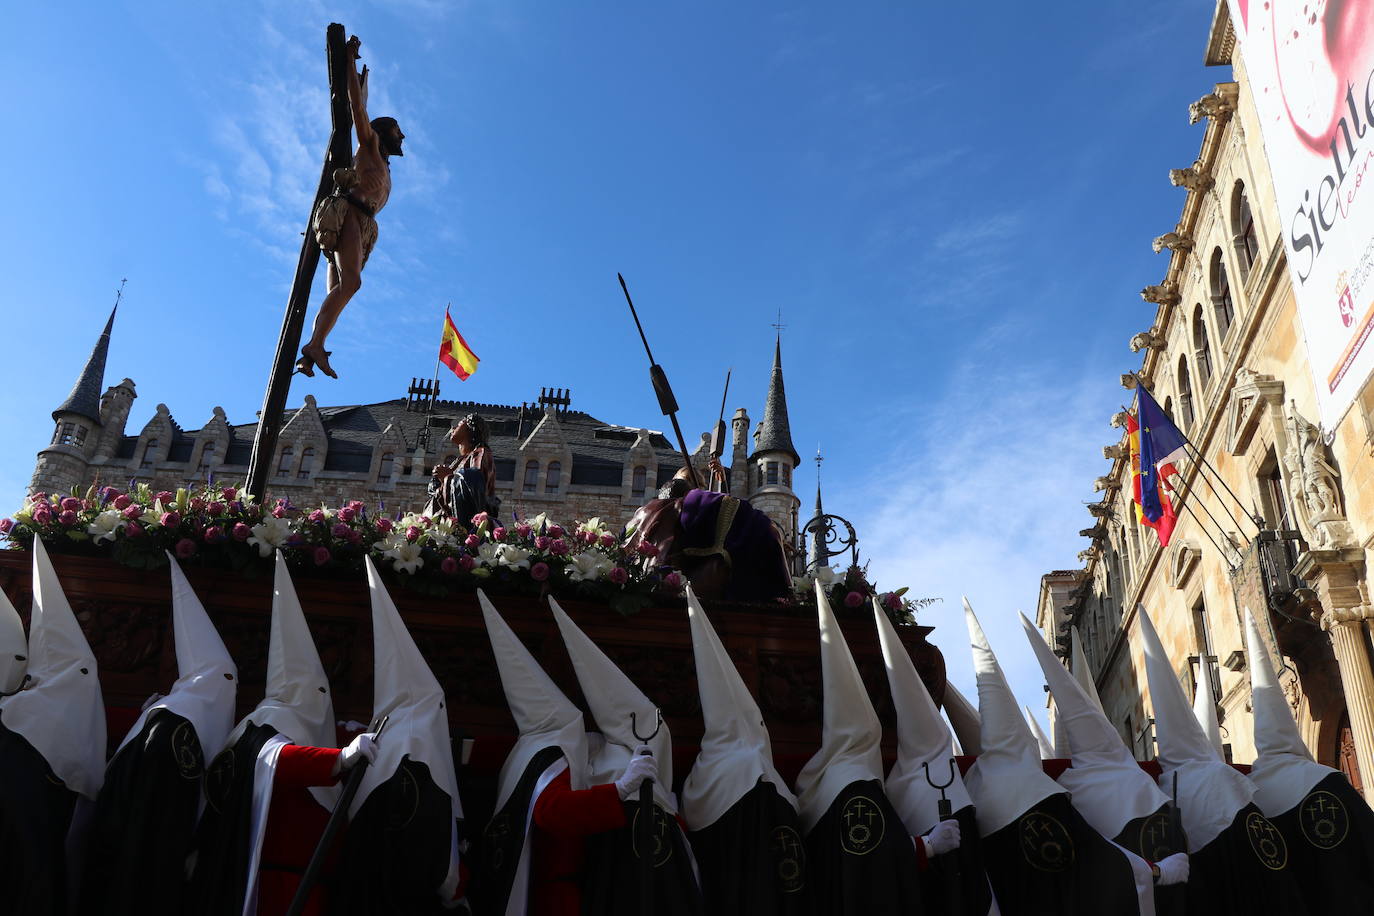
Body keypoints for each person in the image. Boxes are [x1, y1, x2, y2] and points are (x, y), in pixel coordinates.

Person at [185, 553, 378, 916]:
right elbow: (276, 758)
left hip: (303, 880)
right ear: (304, 691)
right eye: (320, 694)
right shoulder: (267, 723)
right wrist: (339, 758)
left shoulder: (275, 722)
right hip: (274, 884)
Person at [298, 34, 405, 379]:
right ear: (384, 132)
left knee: (338, 289)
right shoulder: (370, 146)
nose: (402, 137)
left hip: (364, 225)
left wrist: (361, 81)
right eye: (398, 131)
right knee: (352, 284)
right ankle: (314, 344)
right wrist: (349, 61)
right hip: (351, 214)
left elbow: (361, 100)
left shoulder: (384, 164)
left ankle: (314, 349)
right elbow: (358, 109)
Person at [627, 461, 791, 602]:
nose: (695, 488)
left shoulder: (706, 512)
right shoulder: (658, 510)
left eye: (700, 485)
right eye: (689, 480)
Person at [426, 413, 499, 524]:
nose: (453, 428)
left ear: (471, 429)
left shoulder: (480, 453)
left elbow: (475, 483)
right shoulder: (458, 461)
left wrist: (448, 477)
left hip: (466, 527)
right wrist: (436, 482)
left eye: (459, 424)